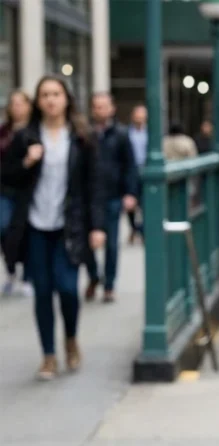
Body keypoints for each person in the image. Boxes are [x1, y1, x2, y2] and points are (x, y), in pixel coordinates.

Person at [0, 76, 106, 380]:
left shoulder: (82, 137)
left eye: (56, 94)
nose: (50, 100)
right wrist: (26, 162)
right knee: (43, 292)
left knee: (68, 289)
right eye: (45, 94)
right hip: (34, 226)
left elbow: (94, 185)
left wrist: (97, 226)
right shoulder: (27, 137)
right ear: (38, 101)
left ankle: (70, 338)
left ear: (66, 99)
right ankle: (48, 356)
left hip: (68, 226)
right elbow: (7, 177)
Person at [83, 92, 140, 303]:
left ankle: (109, 285)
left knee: (112, 244)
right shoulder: (86, 134)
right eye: (96, 106)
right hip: (88, 197)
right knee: (85, 242)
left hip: (113, 195)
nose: (100, 110)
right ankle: (93, 276)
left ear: (112, 109)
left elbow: (130, 166)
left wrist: (130, 193)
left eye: (103, 106)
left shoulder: (122, 135)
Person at [0, 89, 34, 296]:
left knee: (26, 233)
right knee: (4, 229)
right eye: (13, 103)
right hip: (4, 189)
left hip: (27, 191)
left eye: (20, 103)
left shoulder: (34, 130)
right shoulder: (4, 132)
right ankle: (12, 269)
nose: (17, 107)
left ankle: (27, 275)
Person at [126, 104, 147, 244]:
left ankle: (143, 231)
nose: (139, 118)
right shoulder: (128, 133)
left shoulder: (151, 133)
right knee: (130, 204)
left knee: (146, 204)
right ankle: (134, 228)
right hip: (131, 171)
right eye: (137, 115)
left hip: (145, 171)